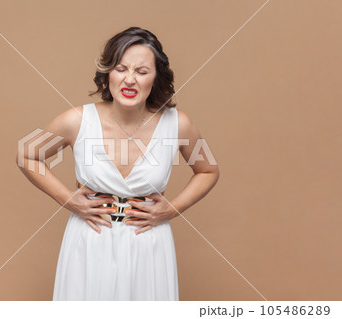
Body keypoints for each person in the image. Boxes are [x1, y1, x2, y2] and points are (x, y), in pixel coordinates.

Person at [16, 27, 219, 301]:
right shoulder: (77, 119)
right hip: (89, 242)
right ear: (108, 73)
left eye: (142, 72)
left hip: (149, 246)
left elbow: (207, 171)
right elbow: (27, 154)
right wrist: (67, 199)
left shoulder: (177, 124)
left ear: (156, 78)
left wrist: (172, 209)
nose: (130, 80)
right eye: (121, 68)